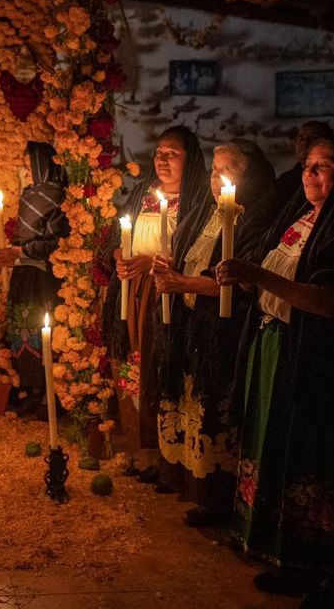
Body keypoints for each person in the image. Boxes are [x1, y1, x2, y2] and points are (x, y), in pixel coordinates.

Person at [216, 136, 334, 605]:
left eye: (324, 166)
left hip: (329, 359)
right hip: (279, 343)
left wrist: (256, 276)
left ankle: (330, 567)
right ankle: (284, 553)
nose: (310, 174)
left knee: (320, 457)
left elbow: (328, 300)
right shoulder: (300, 219)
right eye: (307, 165)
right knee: (280, 448)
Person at [152, 140, 277, 525]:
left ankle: (219, 497)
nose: (217, 176)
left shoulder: (258, 219)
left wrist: (183, 284)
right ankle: (187, 480)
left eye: (230, 167)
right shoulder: (205, 212)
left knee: (216, 411)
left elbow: (237, 281)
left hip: (225, 331)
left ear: (250, 175)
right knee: (190, 406)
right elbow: (191, 256)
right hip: (193, 325)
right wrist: (170, 267)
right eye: (214, 167)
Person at [104, 126, 211, 479]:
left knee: (157, 364)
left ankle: (163, 456)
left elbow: (194, 253)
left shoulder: (198, 202)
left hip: (166, 296)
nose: (163, 160)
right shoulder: (141, 194)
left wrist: (151, 264)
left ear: (189, 159)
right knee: (132, 365)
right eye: (159, 152)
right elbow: (118, 239)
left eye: (173, 153)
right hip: (132, 294)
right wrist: (121, 256)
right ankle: (138, 449)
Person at [0, 141, 70, 415]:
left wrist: (20, 250)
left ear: (43, 166)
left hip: (43, 276)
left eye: (30, 167)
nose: (27, 173)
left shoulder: (55, 196)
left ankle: (50, 394)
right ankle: (32, 388)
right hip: (25, 272)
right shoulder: (31, 194)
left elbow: (56, 239)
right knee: (24, 329)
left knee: (42, 329)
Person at [272, 121, 332, 212]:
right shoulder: (286, 180)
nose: (305, 142)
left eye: (314, 138)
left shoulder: (329, 182)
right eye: (301, 138)